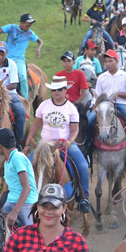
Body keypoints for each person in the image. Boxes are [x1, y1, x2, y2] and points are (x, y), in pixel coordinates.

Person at [24, 76, 91, 211]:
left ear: (65, 90)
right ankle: (25, 197)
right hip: (44, 145)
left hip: (64, 144)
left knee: (83, 166)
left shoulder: (71, 108)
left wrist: (69, 141)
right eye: (54, 90)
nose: (56, 92)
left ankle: (83, 198)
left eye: (60, 89)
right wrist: (27, 144)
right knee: (27, 167)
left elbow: (75, 129)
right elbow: (36, 125)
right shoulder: (44, 105)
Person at [87, 49, 126, 166]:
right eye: (106, 61)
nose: (108, 64)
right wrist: (94, 106)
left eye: (110, 61)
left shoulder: (125, 76)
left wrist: (119, 94)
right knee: (89, 121)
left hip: (121, 105)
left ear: (116, 61)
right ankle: (88, 150)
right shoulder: (102, 77)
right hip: (104, 105)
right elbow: (97, 95)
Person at [0, 13, 44, 100]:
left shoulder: (30, 33)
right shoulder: (11, 27)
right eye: (28, 23)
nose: (29, 26)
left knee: (22, 77)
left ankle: (25, 100)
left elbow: (40, 41)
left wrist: (38, 49)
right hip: (6, 58)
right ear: (21, 23)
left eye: (31, 24)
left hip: (19, 59)